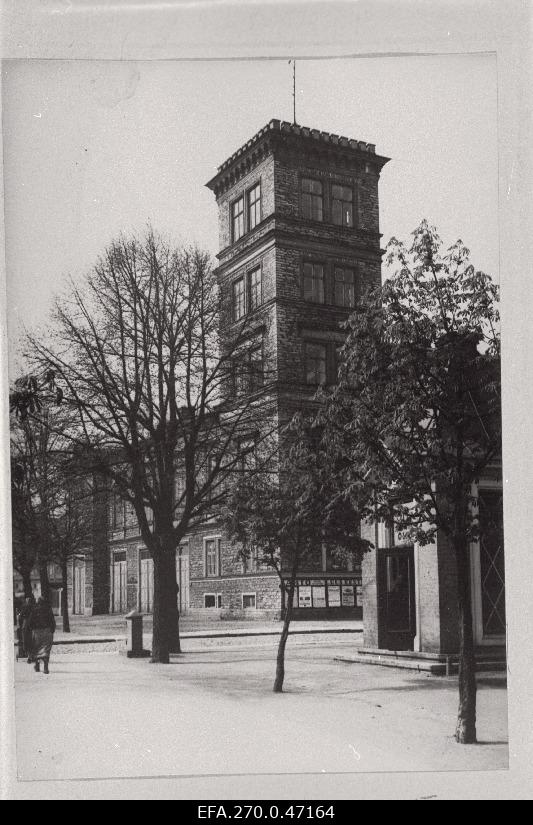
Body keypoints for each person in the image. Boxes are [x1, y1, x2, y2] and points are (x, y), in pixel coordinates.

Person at [28, 596, 56, 674]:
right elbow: (52, 621)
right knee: (46, 650)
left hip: (37, 632)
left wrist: (32, 629)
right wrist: (52, 630)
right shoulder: (48, 610)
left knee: (36, 649)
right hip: (47, 631)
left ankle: (37, 666)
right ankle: (45, 668)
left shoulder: (34, 610)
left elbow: (30, 622)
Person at [17, 595, 36, 663]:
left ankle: (29, 656)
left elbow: (20, 617)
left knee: (26, 642)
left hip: (26, 627)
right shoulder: (34, 608)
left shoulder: (24, 607)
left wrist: (21, 624)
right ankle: (32, 656)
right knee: (32, 641)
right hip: (33, 627)